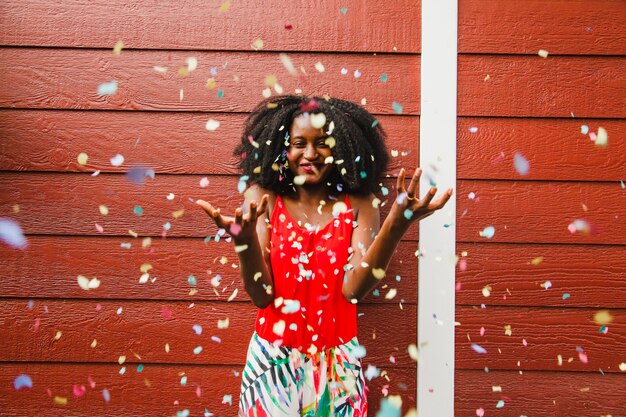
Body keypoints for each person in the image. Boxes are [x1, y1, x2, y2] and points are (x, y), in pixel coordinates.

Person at [196, 95, 452, 417]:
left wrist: (396, 224)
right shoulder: (263, 198)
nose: (310, 154)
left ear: (341, 147)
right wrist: (245, 242)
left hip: (338, 368)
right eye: (298, 143)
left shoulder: (360, 203)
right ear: (281, 149)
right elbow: (261, 295)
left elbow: (353, 289)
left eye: (322, 143)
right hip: (273, 364)